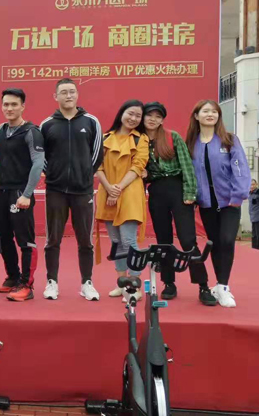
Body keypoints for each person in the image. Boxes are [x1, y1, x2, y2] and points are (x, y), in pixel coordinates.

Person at [141, 102, 214, 304]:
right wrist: (145, 175)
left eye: (158, 116)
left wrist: (190, 192)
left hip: (178, 190)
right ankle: (168, 283)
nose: (153, 119)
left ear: (162, 120)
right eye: (149, 115)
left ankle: (203, 285)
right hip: (156, 192)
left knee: (187, 239)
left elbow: (187, 166)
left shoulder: (172, 137)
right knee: (163, 240)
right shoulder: (138, 140)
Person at [41, 78, 104, 301]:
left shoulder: (91, 122)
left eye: (72, 92)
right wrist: (53, 175)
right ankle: (52, 282)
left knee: (85, 239)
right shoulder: (47, 124)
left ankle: (87, 282)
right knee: (53, 239)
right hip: (55, 190)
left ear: (77, 95)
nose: (68, 96)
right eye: (63, 92)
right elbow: (41, 156)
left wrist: (85, 176)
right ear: (55, 96)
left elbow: (97, 154)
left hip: (83, 191)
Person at [186, 100, 251, 308]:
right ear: (196, 116)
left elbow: (240, 168)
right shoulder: (191, 143)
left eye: (214, 111)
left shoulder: (229, 140)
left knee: (227, 240)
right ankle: (219, 285)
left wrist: (238, 195)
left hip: (229, 202)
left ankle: (223, 286)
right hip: (206, 203)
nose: (210, 114)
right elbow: (188, 172)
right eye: (205, 111)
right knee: (214, 242)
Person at [0, 89, 44, 302]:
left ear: (23, 106)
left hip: (21, 193)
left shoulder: (31, 132)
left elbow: (38, 163)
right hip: (0, 192)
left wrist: (27, 194)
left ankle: (26, 285)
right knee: (3, 237)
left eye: (14, 104)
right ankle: (13, 277)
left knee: (25, 240)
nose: (9, 108)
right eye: (6, 104)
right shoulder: (1, 130)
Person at [95, 100, 149, 302]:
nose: (133, 118)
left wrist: (117, 189)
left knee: (129, 240)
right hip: (107, 192)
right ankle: (122, 283)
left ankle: (134, 285)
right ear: (121, 113)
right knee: (116, 241)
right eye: (130, 113)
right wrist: (109, 188)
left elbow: (138, 166)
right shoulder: (105, 138)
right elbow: (97, 166)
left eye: (138, 116)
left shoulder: (141, 139)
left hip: (130, 193)